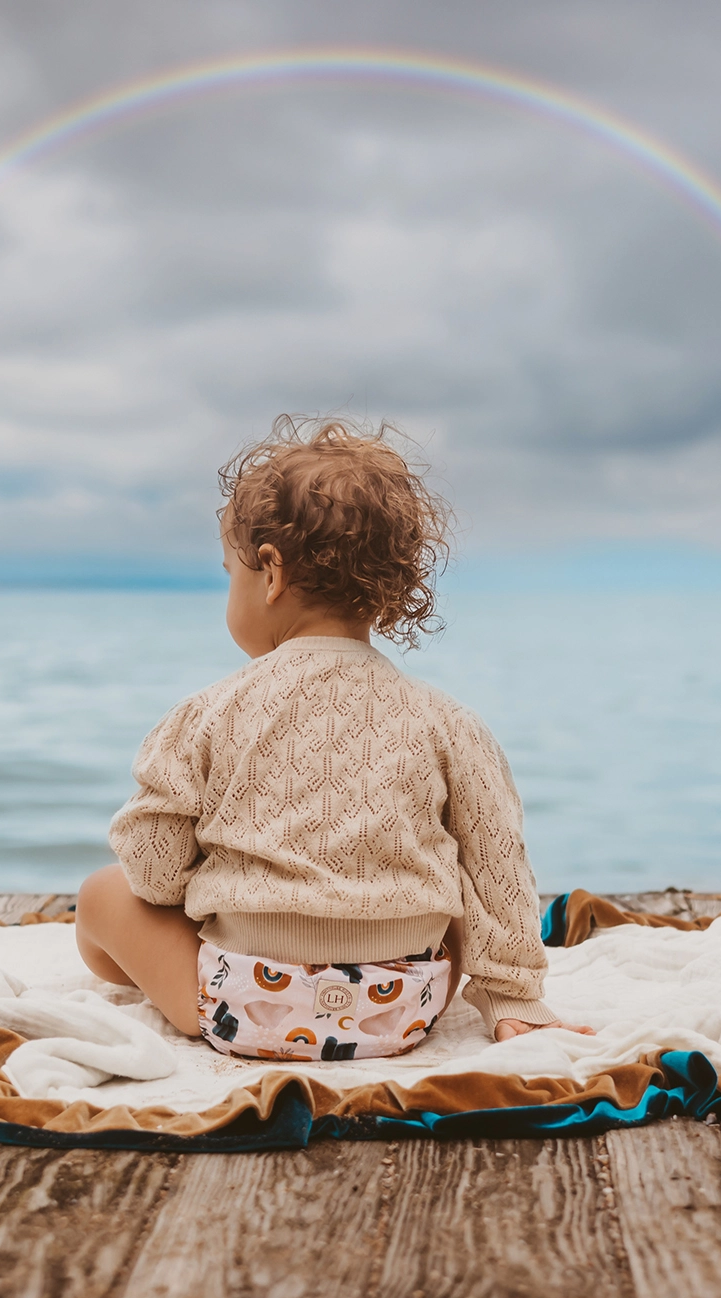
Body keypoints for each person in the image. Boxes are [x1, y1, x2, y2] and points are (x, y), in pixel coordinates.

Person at [76, 416, 591, 1061]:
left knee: (104, 892)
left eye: (229, 574)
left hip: (243, 1005)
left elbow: (153, 869)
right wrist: (514, 997)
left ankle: (186, 985)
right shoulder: (449, 721)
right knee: (460, 882)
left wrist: (232, 885)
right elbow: (499, 868)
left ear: (269, 574)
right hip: (401, 1008)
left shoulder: (208, 712)